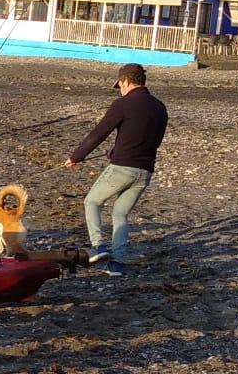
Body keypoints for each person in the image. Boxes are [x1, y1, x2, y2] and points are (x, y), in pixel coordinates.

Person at [64, 62, 168, 274]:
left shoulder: (122, 104)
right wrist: (115, 151)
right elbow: (152, 140)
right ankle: (116, 265)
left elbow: (99, 133)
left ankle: (98, 247)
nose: (120, 88)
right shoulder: (160, 107)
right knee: (120, 214)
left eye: (120, 84)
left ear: (126, 81)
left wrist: (76, 157)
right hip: (145, 171)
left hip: (122, 168)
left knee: (92, 201)